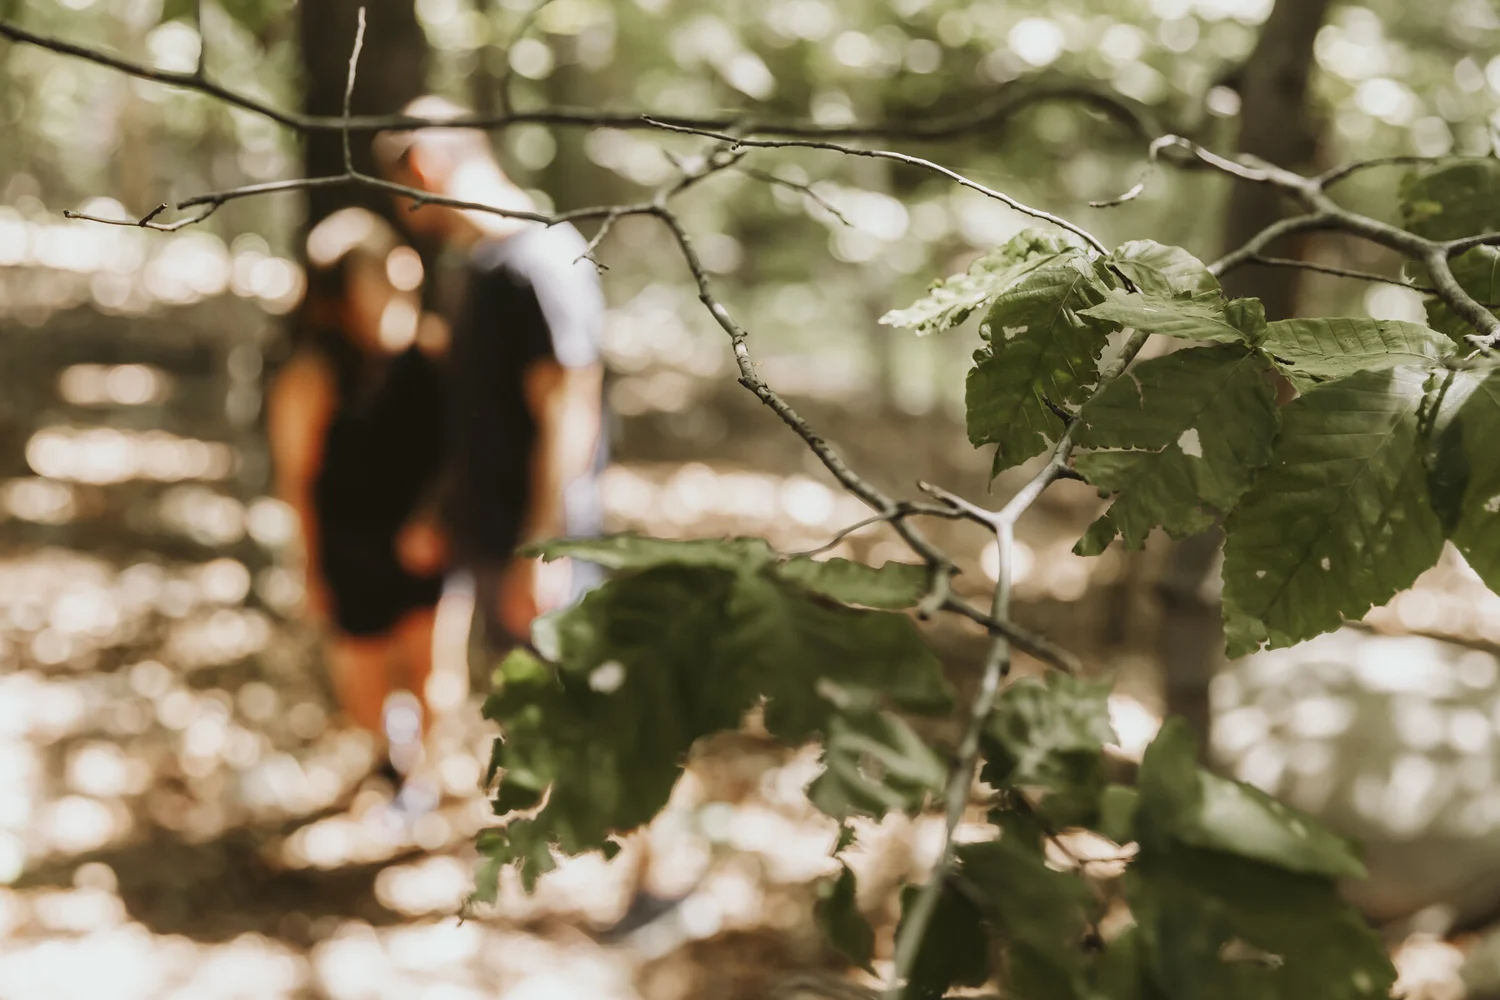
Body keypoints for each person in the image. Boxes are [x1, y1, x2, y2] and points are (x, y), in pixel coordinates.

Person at [372, 97, 608, 662]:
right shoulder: (482, 268)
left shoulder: (540, 261)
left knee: (559, 705)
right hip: (493, 543)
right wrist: (441, 509)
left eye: (400, 191)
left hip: (539, 555)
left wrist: (543, 550)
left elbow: (570, 410)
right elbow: (480, 412)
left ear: (424, 168)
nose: (403, 210)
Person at [266, 206, 451, 781]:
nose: (395, 278)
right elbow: (296, 481)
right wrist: (309, 569)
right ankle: (387, 764)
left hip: (424, 547)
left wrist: (436, 518)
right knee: (363, 681)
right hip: (350, 552)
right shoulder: (312, 376)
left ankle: (425, 776)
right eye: (374, 272)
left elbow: (460, 453)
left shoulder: (432, 353)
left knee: (432, 675)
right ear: (340, 292)